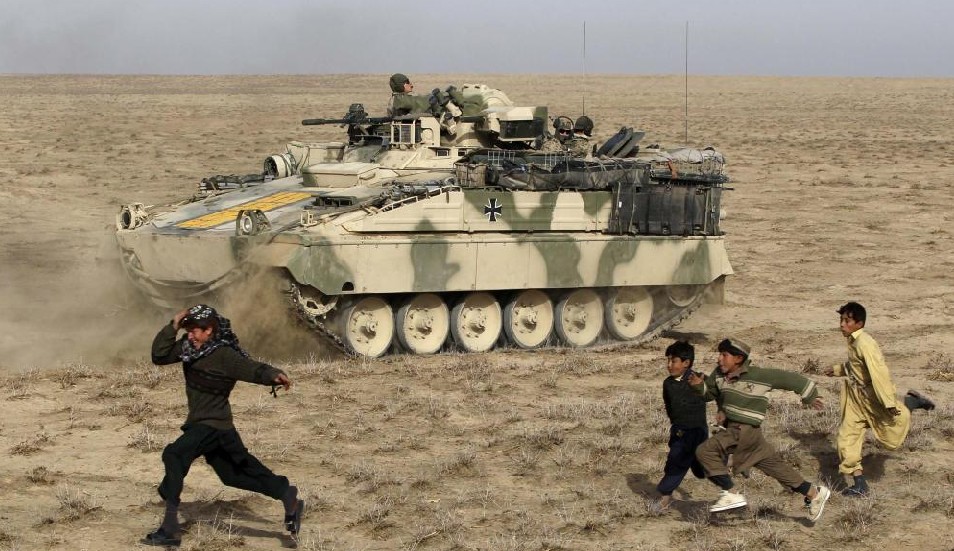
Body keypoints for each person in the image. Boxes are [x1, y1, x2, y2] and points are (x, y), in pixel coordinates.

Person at [143, 305, 304, 547]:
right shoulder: (189, 349)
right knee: (233, 474)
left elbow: (249, 368)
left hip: (210, 425)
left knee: (174, 455)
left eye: (195, 331)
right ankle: (286, 494)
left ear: (209, 330)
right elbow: (159, 355)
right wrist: (173, 325)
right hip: (218, 428)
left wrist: (273, 374)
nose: (190, 336)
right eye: (187, 331)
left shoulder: (224, 354)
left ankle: (170, 528)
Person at [688, 338, 831, 522]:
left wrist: (809, 396)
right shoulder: (719, 375)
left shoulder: (760, 376)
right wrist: (699, 385)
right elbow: (710, 394)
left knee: (705, 451)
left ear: (738, 358)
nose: (719, 359)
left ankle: (731, 493)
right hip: (747, 434)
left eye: (724, 355)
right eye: (719, 354)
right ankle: (814, 493)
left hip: (743, 430)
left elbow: (791, 380)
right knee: (777, 468)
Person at [825, 301, 936, 496]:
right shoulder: (853, 340)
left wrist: (889, 403)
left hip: (873, 399)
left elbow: (879, 374)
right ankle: (860, 484)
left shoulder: (865, 343)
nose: (842, 324)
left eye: (847, 320)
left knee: (892, 429)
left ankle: (911, 402)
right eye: (841, 320)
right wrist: (837, 370)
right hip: (856, 400)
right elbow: (855, 366)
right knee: (846, 439)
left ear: (859, 323)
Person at [654, 340, 708, 512]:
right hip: (679, 431)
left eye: (674, 361)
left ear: (686, 363)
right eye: (668, 360)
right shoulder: (668, 383)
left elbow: (713, 394)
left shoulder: (698, 379)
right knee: (684, 463)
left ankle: (735, 461)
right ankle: (665, 498)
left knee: (693, 466)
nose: (669, 365)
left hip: (697, 431)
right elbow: (669, 406)